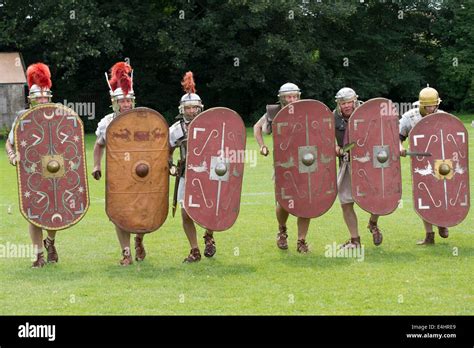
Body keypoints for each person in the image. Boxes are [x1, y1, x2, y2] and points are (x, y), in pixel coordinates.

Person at [4, 62, 59, 268]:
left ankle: (50, 242)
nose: (42, 100)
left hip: (55, 171)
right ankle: (38, 254)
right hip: (32, 172)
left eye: (45, 96)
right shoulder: (22, 118)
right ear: (31, 98)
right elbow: (10, 141)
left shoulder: (59, 115)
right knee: (34, 213)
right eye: (38, 96)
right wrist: (11, 154)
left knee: (56, 212)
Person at [91, 61, 146, 265]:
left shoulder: (143, 120)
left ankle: (139, 239)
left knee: (142, 210)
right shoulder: (107, 123)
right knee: (119, 214)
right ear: (115, 102)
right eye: (122, 101)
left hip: (141, 173)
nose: (126, 105)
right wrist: (96, 165)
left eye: (128, 101)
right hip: (118, 176)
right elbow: (98, 145)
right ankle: (125, 252)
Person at [253, 82, 311, 253]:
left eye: (294, 96)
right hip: (283, 163)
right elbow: (257, 127)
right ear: (282, 98)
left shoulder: (306, 110)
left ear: (298, 96)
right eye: (288, 96)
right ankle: (282, 230)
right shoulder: (273, 112)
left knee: (307, 202)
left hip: (306, 162)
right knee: (284, 202)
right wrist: (262, 146)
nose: (291, 99)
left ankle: (301, 240)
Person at [169, 71, 216, 263]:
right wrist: (170, 165)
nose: (191, 111)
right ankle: (194, 249)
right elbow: (168, 150)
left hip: (208, 172)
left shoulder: (212, 125)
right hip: (186, 174)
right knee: (186, 212)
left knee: (209, 210)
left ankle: (209, 236)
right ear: (182, 109)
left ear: (200, 108)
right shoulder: (176, 129)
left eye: (194, 107)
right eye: (188, 108)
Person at [333, 87, 383, 249]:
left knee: (379, 197)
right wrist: (334, 147)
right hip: (347, 163)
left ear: (355, 101)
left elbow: (381, 133)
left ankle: (373, 223)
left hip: (369, 163)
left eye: (349, 102)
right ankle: (355, 240)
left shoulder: (367, 114)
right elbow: (325, 137)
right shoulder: (333, 118)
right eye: (343, 103)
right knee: (346, 202)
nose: (347, 106)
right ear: (338, 104)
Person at [399, 86, 448, 245]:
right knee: (424, 197)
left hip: (442, 163)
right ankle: (429, 234)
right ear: (420, 104)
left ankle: (442, 222)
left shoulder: (443, 117)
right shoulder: (410, 117)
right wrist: (400, 147)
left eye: (433, 105)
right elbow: (398, 136)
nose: (430, 109)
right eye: (427, 106)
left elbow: (452, 136)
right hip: (420, 163)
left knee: (440, 194)